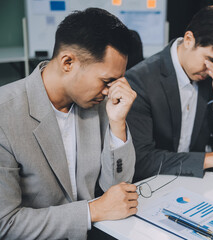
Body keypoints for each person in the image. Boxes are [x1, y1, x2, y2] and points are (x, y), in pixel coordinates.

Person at [0, 8, 138, 239]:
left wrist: (117, 123)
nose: (110, 91)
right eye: (106, 81)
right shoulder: (5, 114)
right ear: (67, 62)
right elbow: (6, 223)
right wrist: (91, 211)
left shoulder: (101, 104)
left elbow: (117, 193)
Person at [126, 5, 213, 182]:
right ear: (189, 39)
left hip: (194, 183)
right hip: (152, 186)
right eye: (210, 59)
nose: (211, 70)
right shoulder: (140, 80)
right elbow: (143, 161)